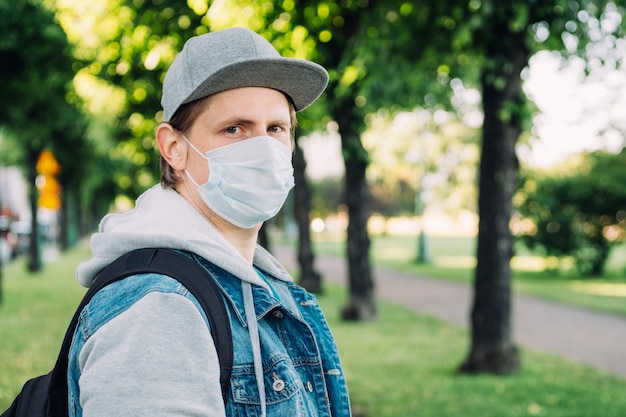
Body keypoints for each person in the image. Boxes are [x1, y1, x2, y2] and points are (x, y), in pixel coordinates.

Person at [70, 27, 351, 416]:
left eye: (276, 129)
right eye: (234, 128)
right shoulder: (159, 310)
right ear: (173, 148)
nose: (264, 148)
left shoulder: (262, 283)